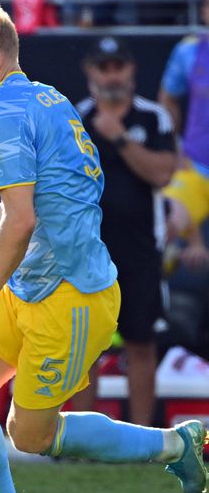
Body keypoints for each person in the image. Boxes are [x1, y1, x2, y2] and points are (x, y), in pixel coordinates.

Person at [0, 0, 206, 493]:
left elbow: (21, 222)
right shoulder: (50, 99)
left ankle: (175, 444)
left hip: (70, 297)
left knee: (30, 436)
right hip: (34, 284)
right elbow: (32, 216)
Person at [72, 37, 177, 427]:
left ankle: (142, 438)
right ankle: (84, 439)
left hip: (140, 249)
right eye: (104, 67)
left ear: (131, 70)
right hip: (87, 248)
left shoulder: (152, 117)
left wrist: (118, 136)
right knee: (86, 347)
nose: (111, 75)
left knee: (141, 342)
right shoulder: (75, 118)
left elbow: (163, 173)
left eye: (118, 66)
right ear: (90, 72)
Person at [158, 0, 209, 269]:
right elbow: (168, 98)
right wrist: (174, 148)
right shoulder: (189, 50)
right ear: (203, 11)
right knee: (163, 226)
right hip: (197, 166)